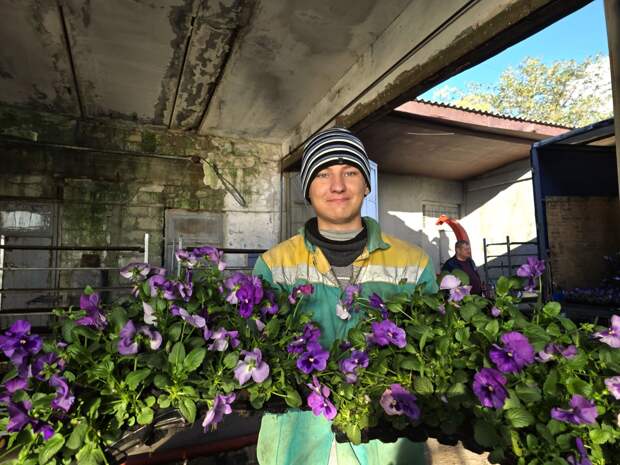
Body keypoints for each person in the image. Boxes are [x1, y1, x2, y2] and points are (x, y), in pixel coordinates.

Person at [252, 127, 437, 465]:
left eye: (350, 172)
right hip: (297, 441)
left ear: (367, 184)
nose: (337, 185)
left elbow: (436, 349)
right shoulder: (273, 265)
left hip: (385, 442)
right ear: (308, 188)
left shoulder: (414, 263)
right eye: (323, 173)